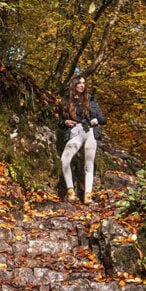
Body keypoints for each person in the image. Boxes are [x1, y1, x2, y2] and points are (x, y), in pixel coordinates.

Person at [59, 75, 105, 204]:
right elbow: (60, 122)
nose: (82, 85)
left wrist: (96, 120)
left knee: (88, 164)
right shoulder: (67, 100)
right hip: (75, 132)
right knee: (65, 159)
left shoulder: (90, 99)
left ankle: (87, 196)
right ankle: (70, 192)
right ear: (74, 85)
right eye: (79, 83)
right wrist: (65, 122)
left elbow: (103, 119)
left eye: (84, 83)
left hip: (89, 131)